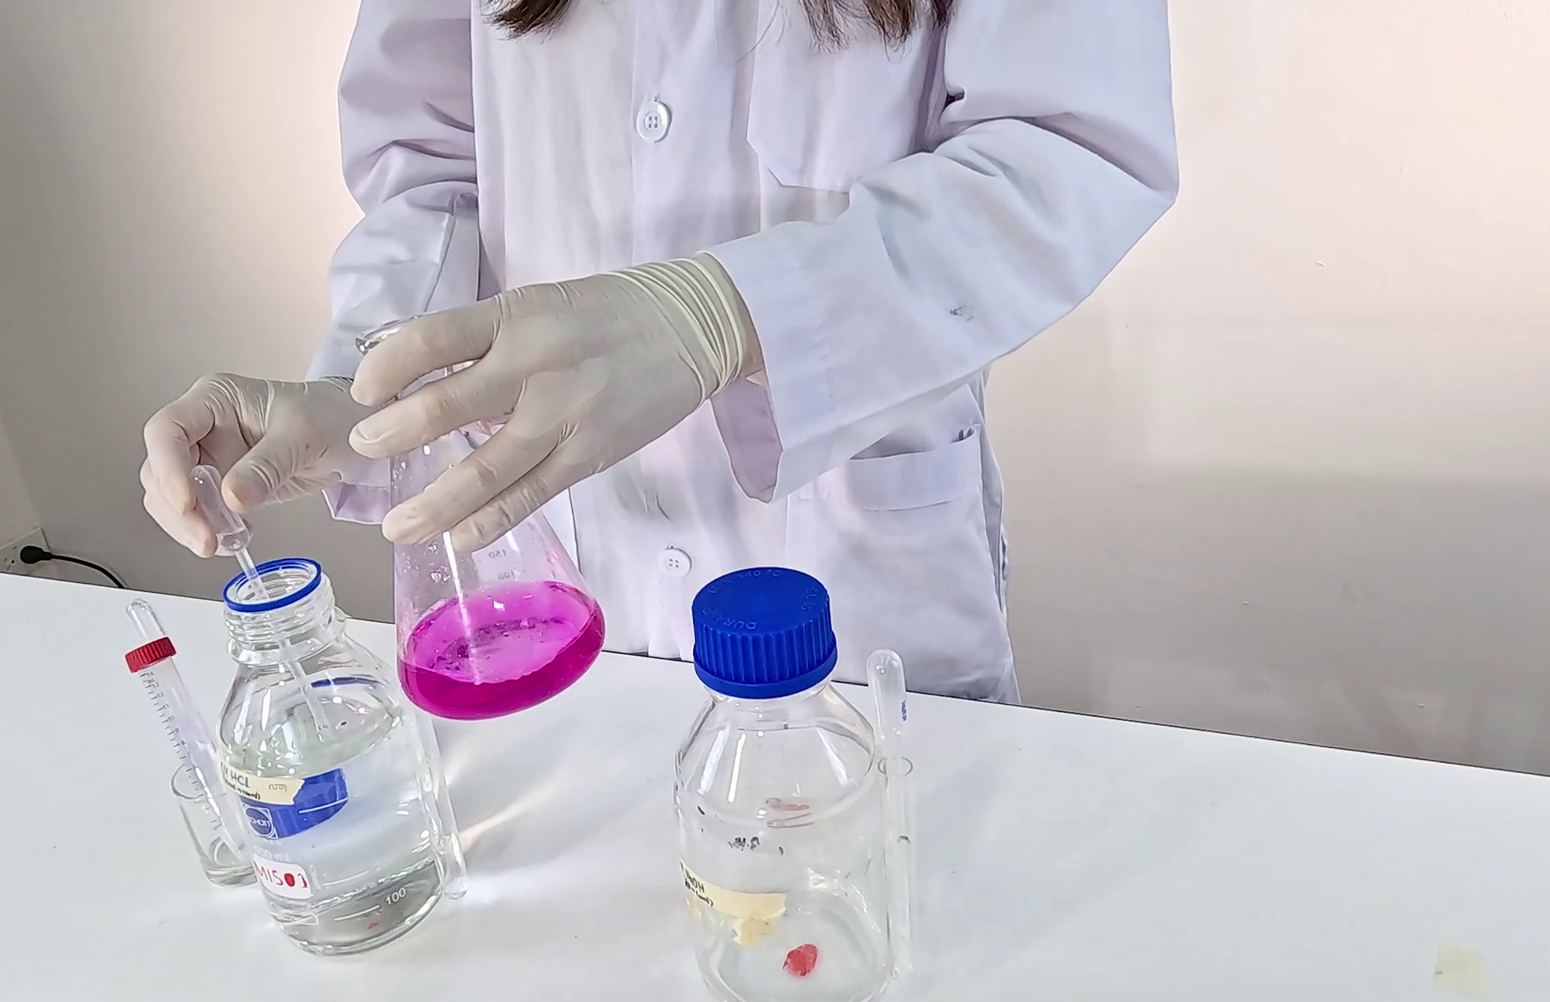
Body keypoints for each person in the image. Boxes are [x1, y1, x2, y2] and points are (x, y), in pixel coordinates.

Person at [142, 0, 1177, 700]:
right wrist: (373, 386)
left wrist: (725, 314)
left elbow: (1069, 147)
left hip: (854, 588)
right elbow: (430, 158)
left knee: (871, 917)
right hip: (563, 590)